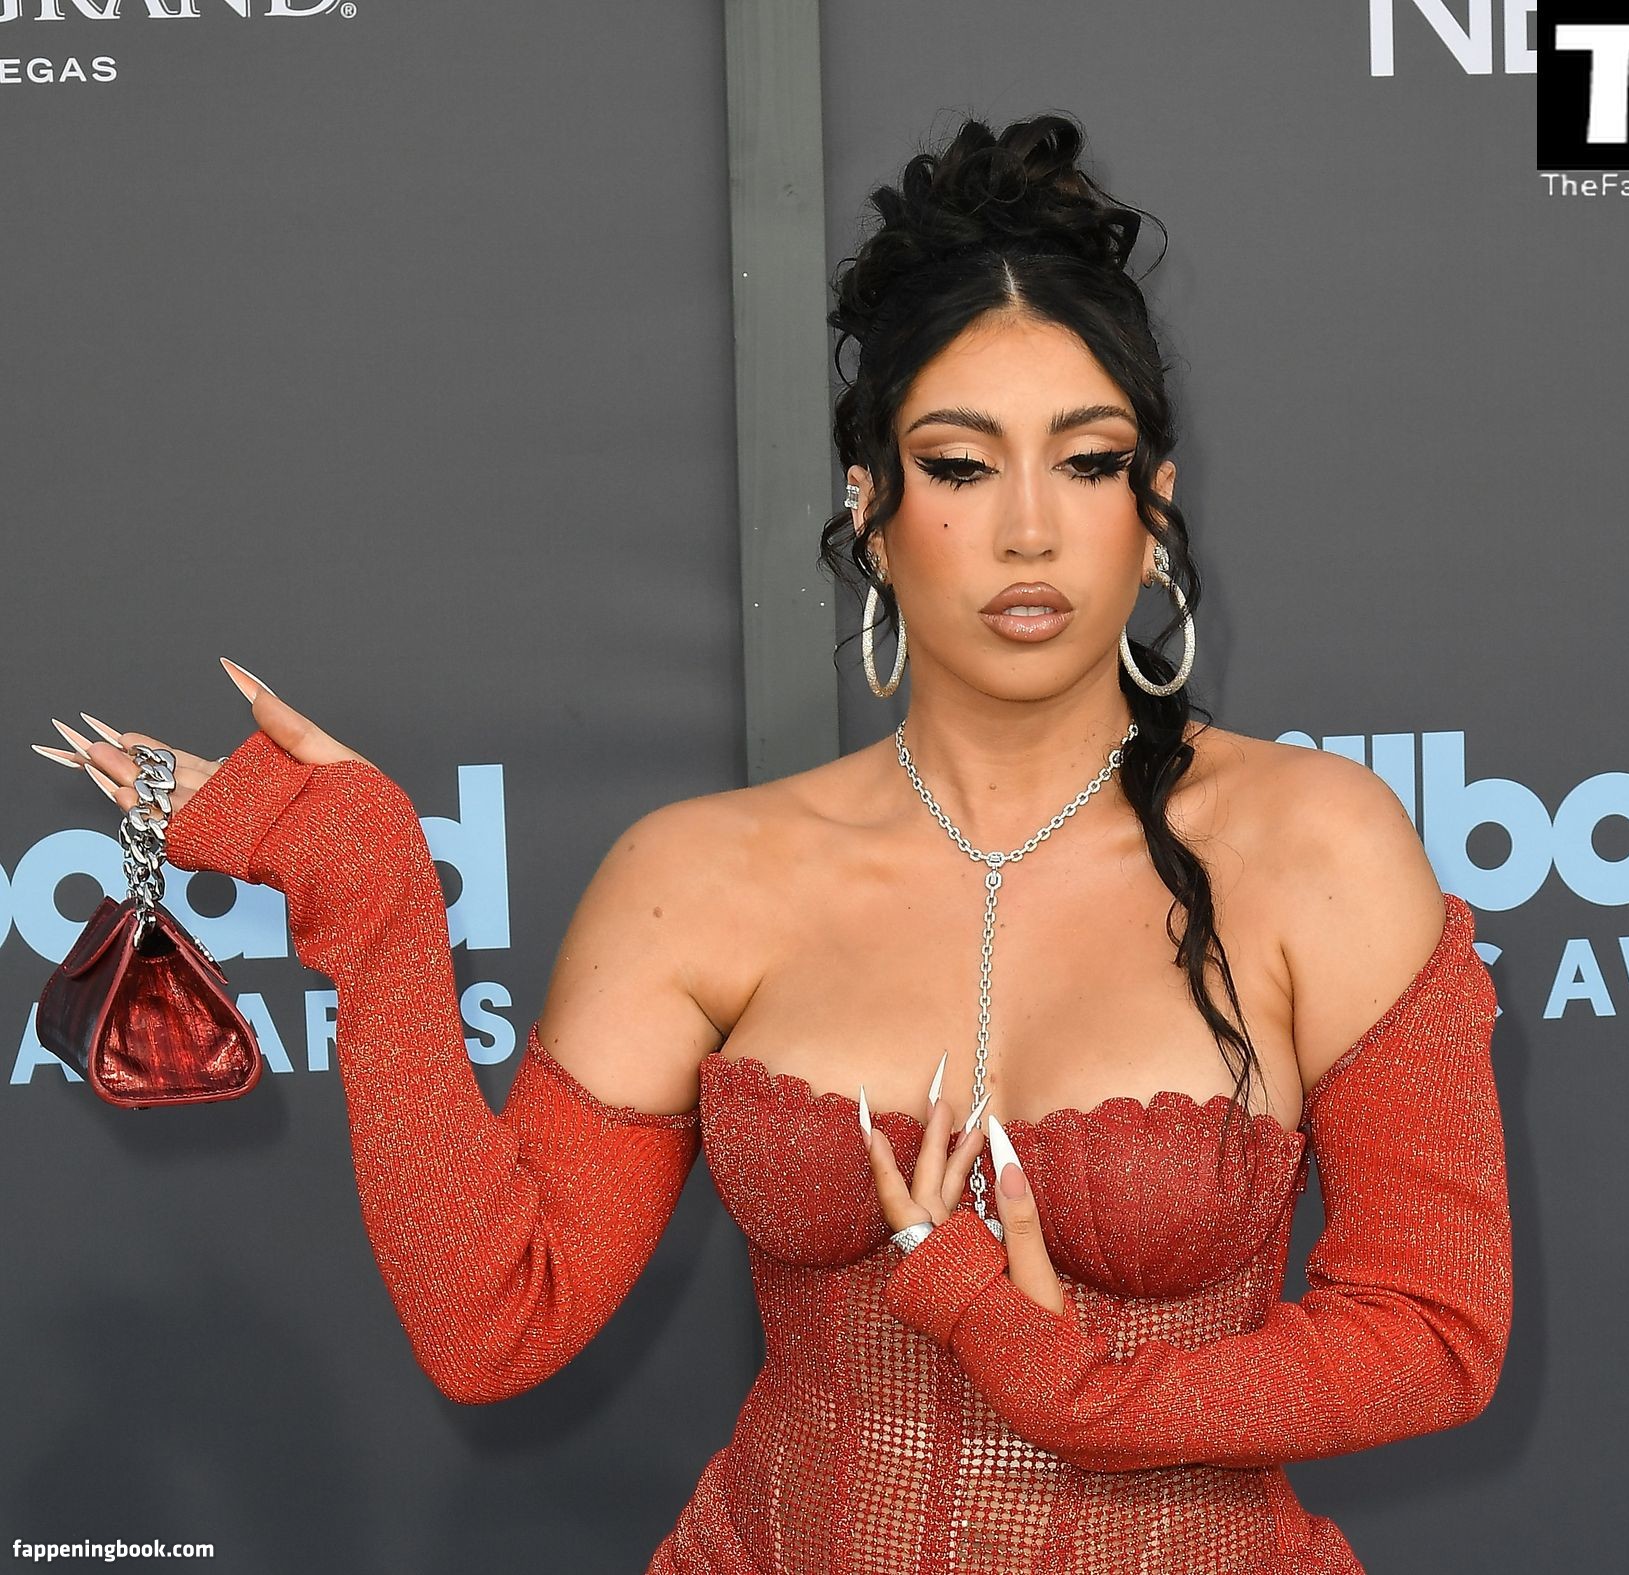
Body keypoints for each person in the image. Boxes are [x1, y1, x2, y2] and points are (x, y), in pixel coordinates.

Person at [38, 115, 1511, 1574]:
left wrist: (1076, 1390)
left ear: (1155, 504)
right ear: (870, 508)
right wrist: (373, 896)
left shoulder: (1314, 846)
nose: (1029, 530)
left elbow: (1435, 1332)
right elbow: (495, 1324)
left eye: (1088, 461)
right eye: (960, 465)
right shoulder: (700, 878)